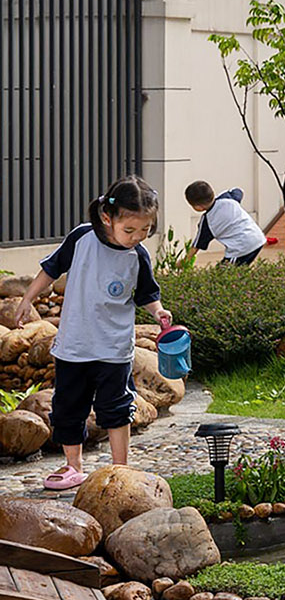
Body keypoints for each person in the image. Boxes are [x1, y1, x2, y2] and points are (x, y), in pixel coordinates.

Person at [14, 175, 170, 490]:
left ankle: (120, 468)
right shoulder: (82, 239)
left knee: (116, 408)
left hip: (114, 347)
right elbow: (51, 268)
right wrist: (28, 298)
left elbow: (146, 294)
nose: (137, 237)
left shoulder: (137, 256)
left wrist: (158, 312)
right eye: (129, 230)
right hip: (74, 345)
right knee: (68, 407)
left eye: (144, 230)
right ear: (106, 217)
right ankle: (73, 467)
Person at [185, 181, 266, 266]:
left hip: (241, 248)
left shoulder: (207, 222)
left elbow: (196, 246)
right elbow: (238, 190)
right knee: (237, 272)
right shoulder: (227, 198)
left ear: (199, 207)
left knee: (222, 275)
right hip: (257, 237)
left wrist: (183, 262)